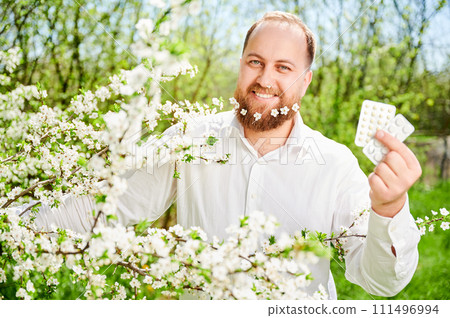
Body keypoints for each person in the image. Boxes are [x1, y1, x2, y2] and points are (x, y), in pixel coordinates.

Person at [16, 11, 422, 299]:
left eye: (283, 67)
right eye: (255, 62)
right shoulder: (190, 138)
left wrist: (389, 209)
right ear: (241, 65)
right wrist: (13, 222)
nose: (264, 78)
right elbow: (103, 208)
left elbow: (380, 282)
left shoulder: (334, 165)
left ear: (306, 80)